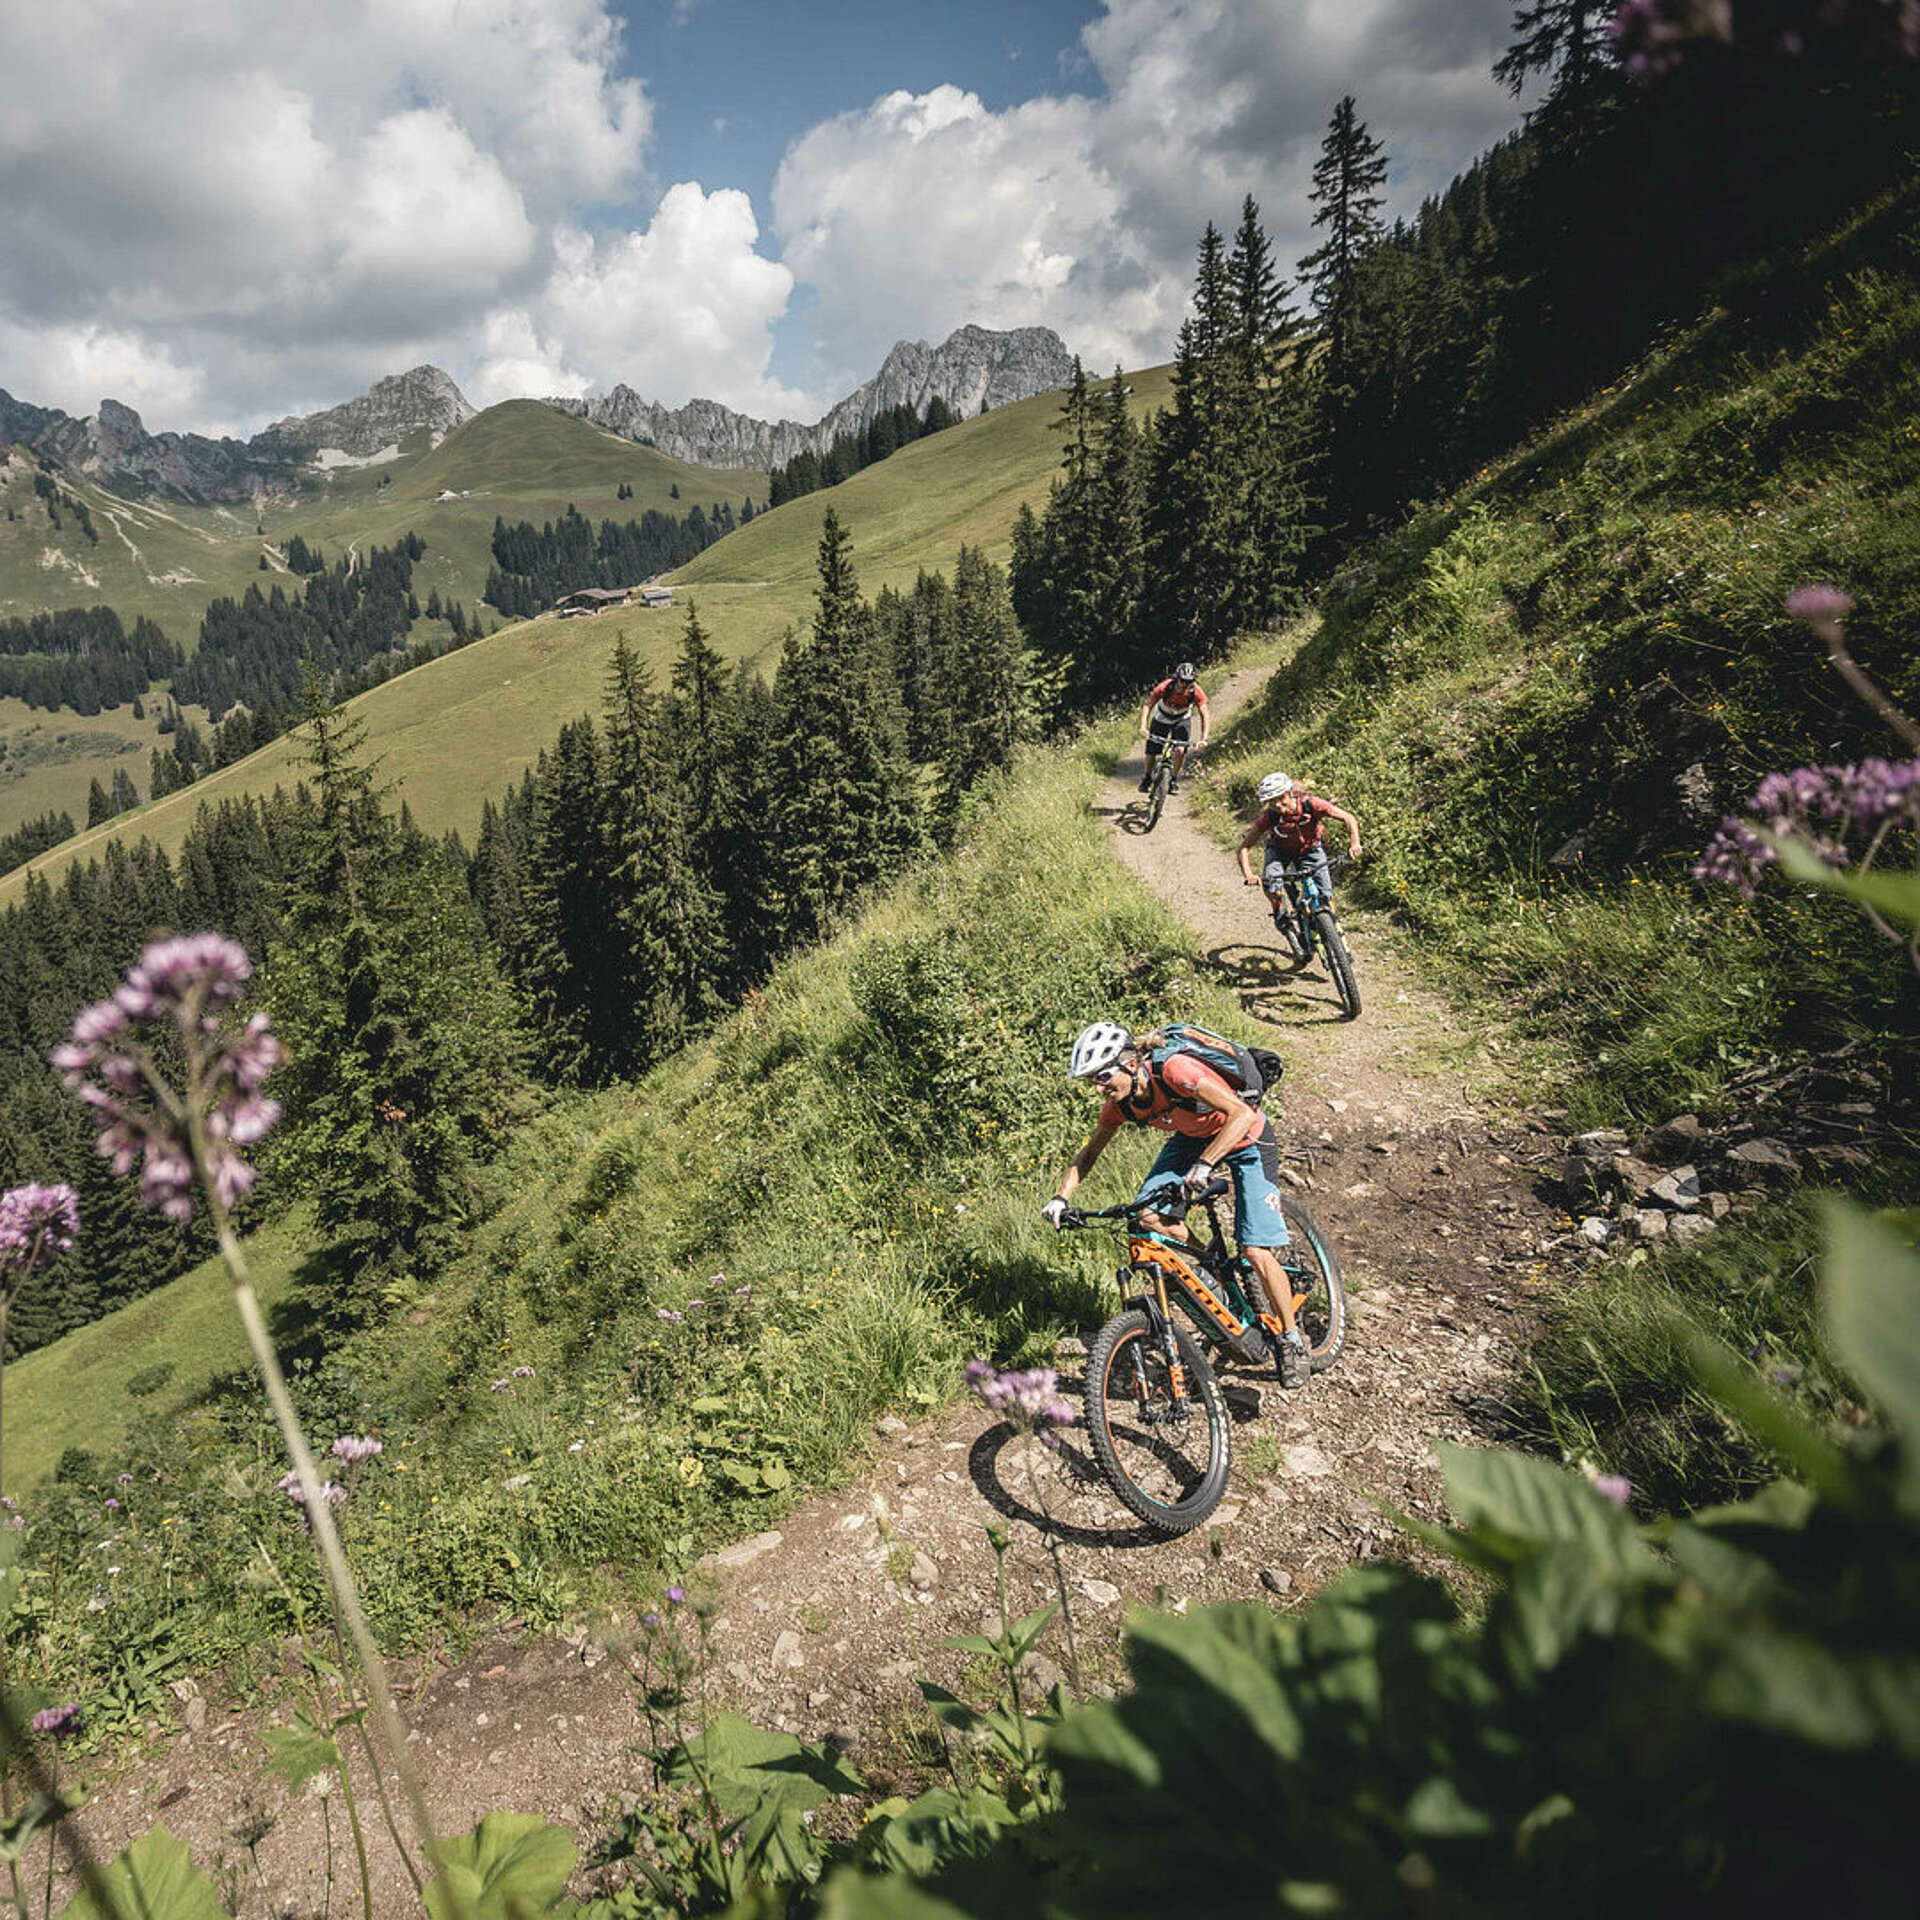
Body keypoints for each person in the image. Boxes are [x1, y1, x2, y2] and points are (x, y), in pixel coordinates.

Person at [1041, 1021, 1312, 1389]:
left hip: (1246, 1137)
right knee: (1146, 1215)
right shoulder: (1121, 1105)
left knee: (1255, 1250)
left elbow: (1241, 1114)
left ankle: (1293, 1342)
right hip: (1192, 1137)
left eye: (1103, 1076)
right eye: (1093, 1081)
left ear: (1131, 1063)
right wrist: (1061, 1198)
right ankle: (1213, 1263)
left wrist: (1205, 1164)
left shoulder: (1175, 1071)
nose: (1100, 1087)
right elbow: (1089, 1153)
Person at [1238, 772, 1362, 930]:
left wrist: (1355, 843)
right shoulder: (1269, 817)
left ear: (1289, 793)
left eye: (1280, 798)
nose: (1276, 805)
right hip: (1279, 850)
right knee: (1270, 883)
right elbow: (1244, 847)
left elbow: (1348, 818)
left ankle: (1334, 931)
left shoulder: (1311, 804)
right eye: (1270, 801)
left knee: (1325, 893)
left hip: (1310, 848)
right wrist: (1249, 875)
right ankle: (1278, 907)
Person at [1138, 662, 1209, 794]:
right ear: (1177, 678)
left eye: (1189, 682)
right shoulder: (1165, 687)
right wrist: (1143, 727)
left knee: (1181, 750)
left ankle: (1173, 780)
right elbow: (1147, 706)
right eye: (1182, 681)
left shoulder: (1196, 692)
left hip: (1181, 719)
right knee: (1151, 751)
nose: (1184, 685)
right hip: (1161, 718)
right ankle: (1147, 777)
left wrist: (1204, 738)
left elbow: (1204, 714)